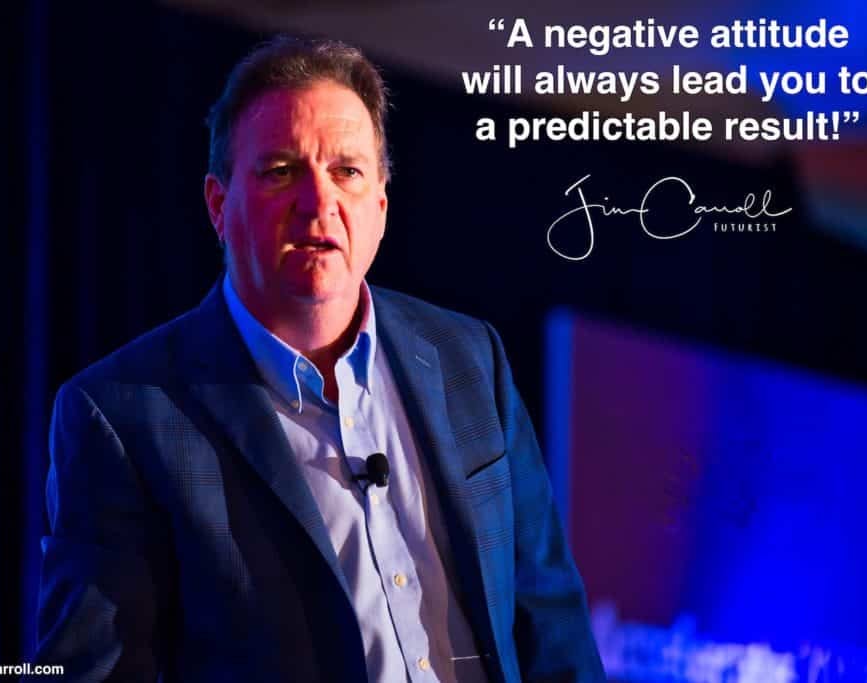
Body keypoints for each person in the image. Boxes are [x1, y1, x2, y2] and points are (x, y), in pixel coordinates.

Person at [33, 36, 605, 683]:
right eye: (280, 171)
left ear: (381, 206)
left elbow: (553, 625)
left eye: (347, 171)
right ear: (218, 205)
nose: (318, 201)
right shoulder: (124, 417)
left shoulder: (469, 357)